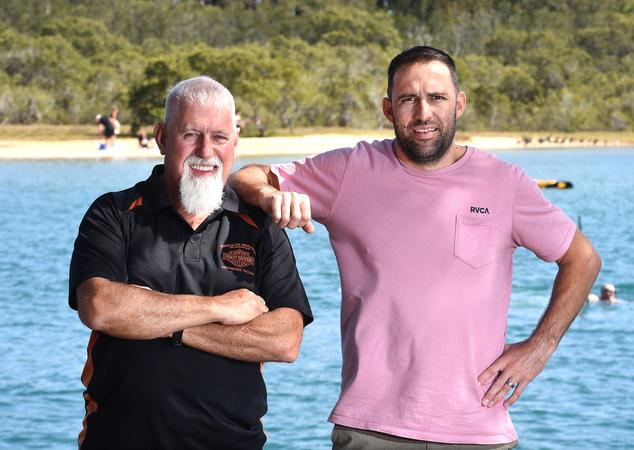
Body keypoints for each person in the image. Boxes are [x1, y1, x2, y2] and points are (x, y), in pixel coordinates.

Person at [230, 46, 601, 449]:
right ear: (389, 109)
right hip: (370, 428)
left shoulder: (503, 182)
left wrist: (539, 348)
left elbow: (582, 258)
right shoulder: (349, 171)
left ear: (459, 104)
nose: (423, 112)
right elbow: (244, 177)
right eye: (409, 99)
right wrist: (270, 197)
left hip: (478, 430)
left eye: (437, 97)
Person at [70, 76, 312, 449]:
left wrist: (168, 327)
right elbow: (101, 306)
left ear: (235, 142)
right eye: (190, 135)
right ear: (163, 137)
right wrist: (220, 307)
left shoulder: (258, 225)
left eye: (219, 137)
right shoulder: (115, 212)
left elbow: (284, 340)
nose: (205, 150)